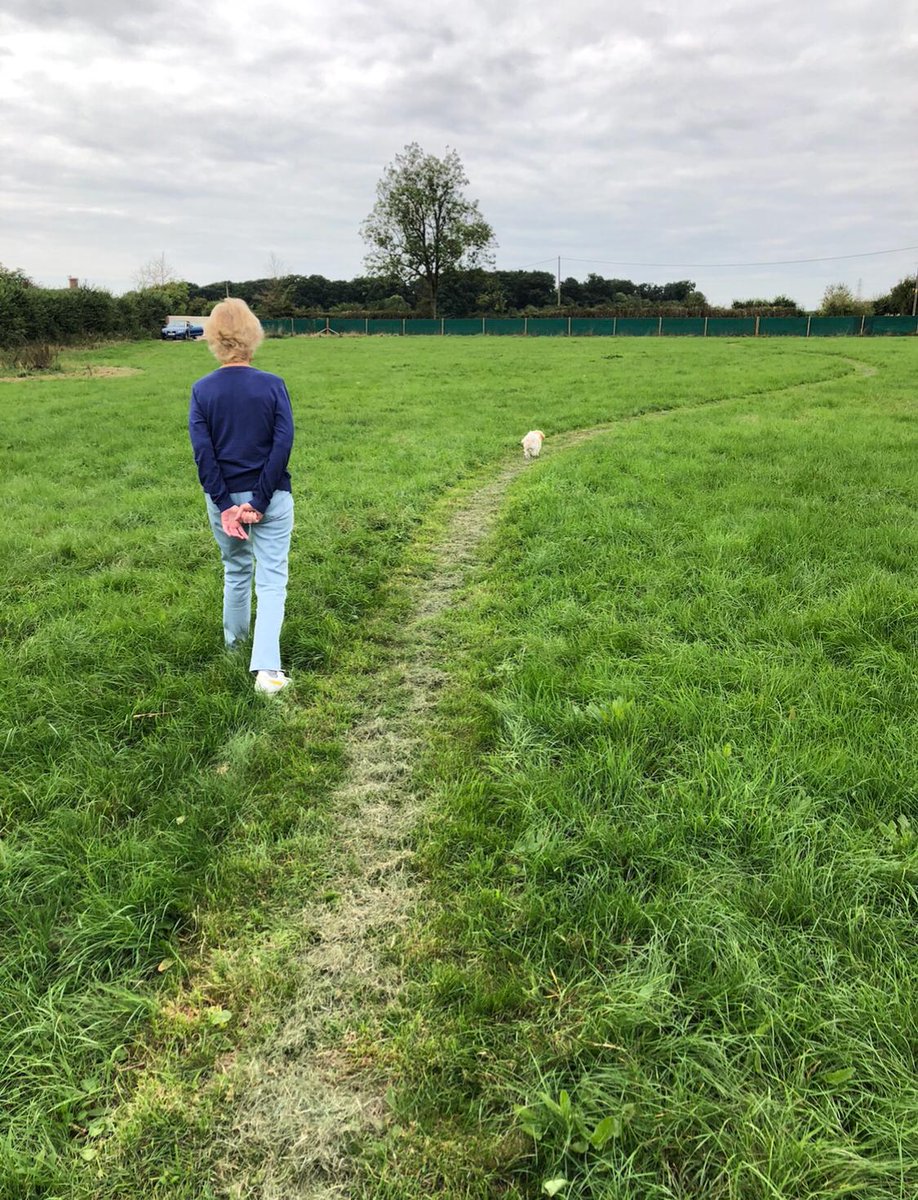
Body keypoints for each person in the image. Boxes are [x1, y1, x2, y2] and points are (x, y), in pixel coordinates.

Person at [189, 297, 295, 694]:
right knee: (271, 579)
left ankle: (236, 650)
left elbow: (204, 453)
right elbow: (282, 443)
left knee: (235, 571)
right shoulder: (273, 386)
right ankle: (267, 670)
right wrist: (261, 500)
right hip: (271, 499)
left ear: (212, 338)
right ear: (254, 333)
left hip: (224, 500)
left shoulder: (202, 390)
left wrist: (226, 505)